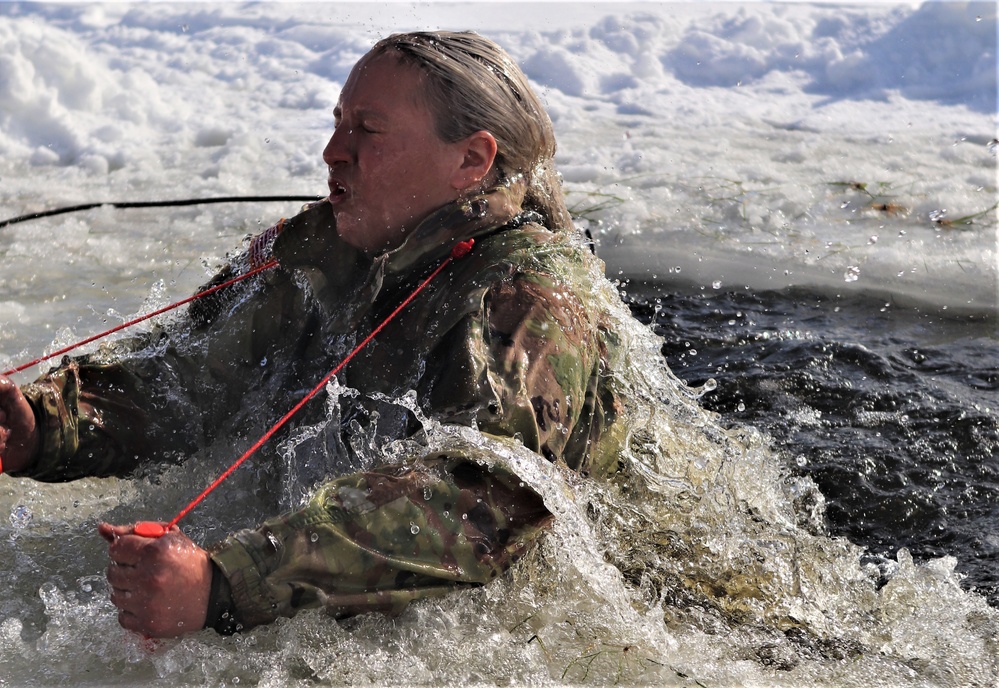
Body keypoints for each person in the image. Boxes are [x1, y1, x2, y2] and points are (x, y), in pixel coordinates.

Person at [0, 31, 625, 638]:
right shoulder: (320, 249)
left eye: (368, 130)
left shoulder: (530, 297)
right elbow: (190, 374)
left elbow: (475, 503)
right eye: (338, 121)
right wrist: (44, 424)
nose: (333, 150)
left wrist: (228, 582)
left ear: (470, 161)